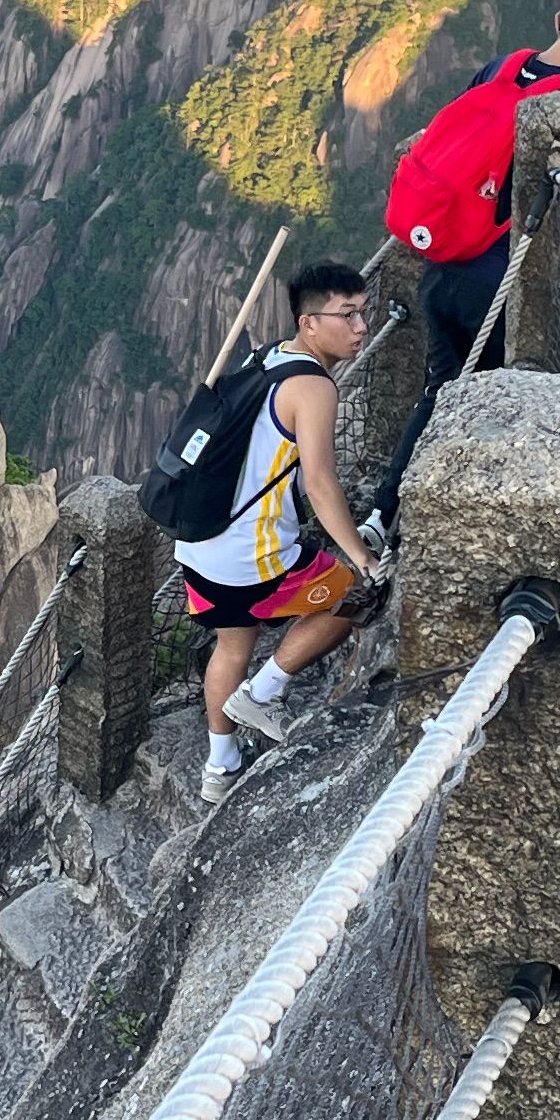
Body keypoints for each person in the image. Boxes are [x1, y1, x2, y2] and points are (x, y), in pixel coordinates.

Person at [374, 0, 560, 509]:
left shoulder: (501, 66)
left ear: (558, 19)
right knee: (489, 407)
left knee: (441, 393)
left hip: (440, 266)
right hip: (494, 282)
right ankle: (435, 518)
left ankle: (386, 509)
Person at [174, 263, 385, 804]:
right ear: (309, 323)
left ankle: (219, 768)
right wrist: (361, 557)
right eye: (347, 314)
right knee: (356, 598)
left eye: (363, 311)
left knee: (231, 645)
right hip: (252, 554)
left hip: (199, 544)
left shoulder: (265, 356)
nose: (361, 325)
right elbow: (318, 480)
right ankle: (264, 693)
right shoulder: (313, 386)